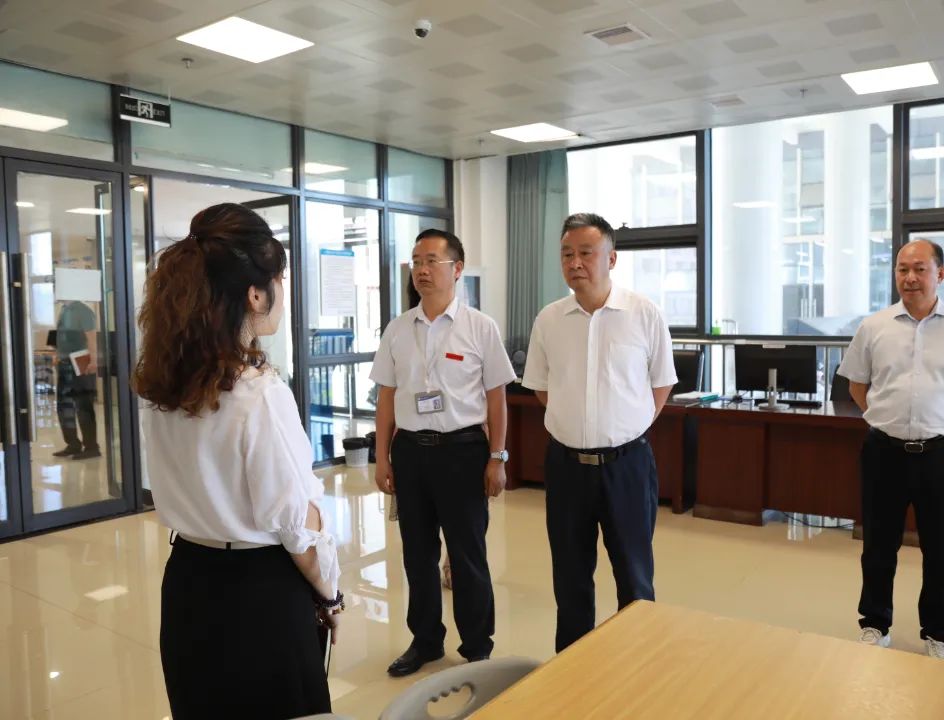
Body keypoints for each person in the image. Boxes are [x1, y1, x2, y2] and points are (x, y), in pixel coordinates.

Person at [132, 204, 343, 719]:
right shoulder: (259, 394)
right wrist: (330, 596)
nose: (282, 291)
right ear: (256, 294)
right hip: (259, 598)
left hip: (188, 583)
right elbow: (296, 523)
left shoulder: (164, 384)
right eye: (281, 279)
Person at [522, 212, 677, 653]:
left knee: (634, 575)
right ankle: (573, 667)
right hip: (567, 467)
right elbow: (542, 388)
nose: (575, 262)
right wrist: (577, 423)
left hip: (627, 465)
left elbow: (661, 383)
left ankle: (638, 663)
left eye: (586, 253)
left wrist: (625, 426)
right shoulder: (549, 319)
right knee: (570, 577)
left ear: (611, 258)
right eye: (567, 254)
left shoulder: (643, 314)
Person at [838, 239, 944, 661]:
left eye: (920, 269)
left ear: (940, 274)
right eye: (902, 269)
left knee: (941, 552)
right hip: (884, 452)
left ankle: (939, 633)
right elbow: (857, 384)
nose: (910, 277)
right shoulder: (874, 326)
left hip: (942, 455)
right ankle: (875, 623)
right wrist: (886, 416)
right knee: (878, 546)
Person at [371, 228, 515, 677]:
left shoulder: (480, 327)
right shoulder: (398, 329)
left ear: (457, 269)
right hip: (411, 452)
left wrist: (497, 458)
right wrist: (382, 457)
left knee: (467, 553)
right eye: (416, 261)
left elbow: (496, 399)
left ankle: (477, 646)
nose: (421, 270)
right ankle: (426, 641)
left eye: (431, 260)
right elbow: (387, 397)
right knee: (417, 554)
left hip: (463, 452)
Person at [53, 299, 99, 459]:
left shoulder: (82, 310)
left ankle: (91, 447)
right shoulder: (63, 310)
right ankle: (72, 444)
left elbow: (91, 337)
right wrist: (56, 353)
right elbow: (60, 335)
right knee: (64, 405)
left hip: (81, 361)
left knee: (83, 405)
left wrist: (94, 360)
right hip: (64, 362)